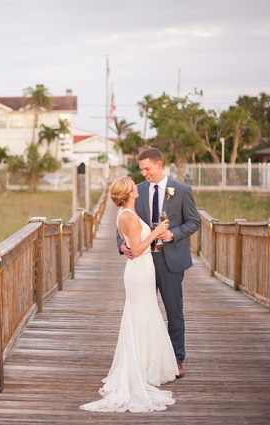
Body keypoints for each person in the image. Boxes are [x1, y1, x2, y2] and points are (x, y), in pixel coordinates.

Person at [80, 176, 178, 413]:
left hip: (140, 270)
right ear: (129, 192)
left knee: (144, 314)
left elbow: (131, 245)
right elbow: (136, 249)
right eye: (134, 185)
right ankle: (139, 369)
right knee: (141, 315)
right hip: (139, 269)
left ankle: (145, 365)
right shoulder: (129, 217)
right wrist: (155, 232)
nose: (138, 187)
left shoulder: (125, 214)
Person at [117, 148, 200, 379]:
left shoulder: (182, 191)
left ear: (160, 165)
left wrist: (172, 234)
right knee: (145, 311)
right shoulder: (136, 192)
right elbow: (124, 220)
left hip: (170, 260)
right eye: (141, 169)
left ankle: (176, 360)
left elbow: (194, 222)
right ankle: (145, 360)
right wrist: (122, 245)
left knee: (174, 311)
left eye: (147, 169)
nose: (144, 174)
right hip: (143, 261)